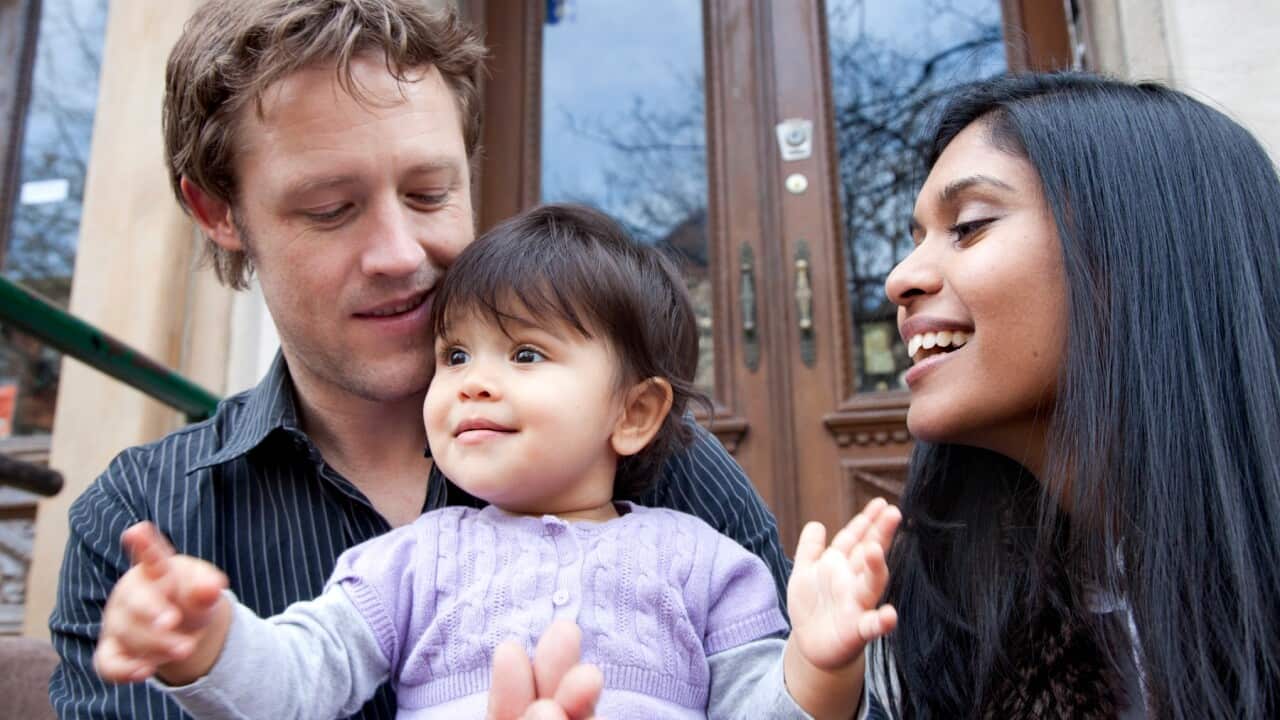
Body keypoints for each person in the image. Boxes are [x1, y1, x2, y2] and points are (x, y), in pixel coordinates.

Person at [48, 3, 791, 719]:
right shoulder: (146, 524)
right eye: (331, 209)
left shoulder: (658, 460)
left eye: (430, 193)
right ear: (217, 212)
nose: (401, 254)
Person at [91, 204, 903, 719]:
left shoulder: (703, 563)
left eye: (522, 353)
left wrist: (819, 663)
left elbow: (763, 712)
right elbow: (301, 677)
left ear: (636, 412)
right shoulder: (408, 560)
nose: (472, 383)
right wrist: (208, 644)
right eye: (452, 355)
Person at [857, 72, 1280, 718]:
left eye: (968, 226)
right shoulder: (946, 623)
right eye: (916, 240)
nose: (899, 280)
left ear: (1141, 250)